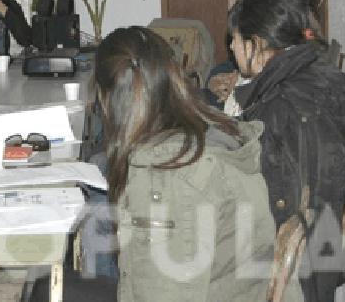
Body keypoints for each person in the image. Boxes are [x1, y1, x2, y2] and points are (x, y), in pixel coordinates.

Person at [95, 26, 286, 302]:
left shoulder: (167, 176)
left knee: (44, 288)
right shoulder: (209, 130)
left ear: (107, 100)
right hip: (230, 288)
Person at [228, 0, 345, 302]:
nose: (231, 47)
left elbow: (271, 212)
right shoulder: (324, 77)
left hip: (298, 274)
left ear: (258, 45)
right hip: (330, 250)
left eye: (236, 40)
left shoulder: (279, 108)